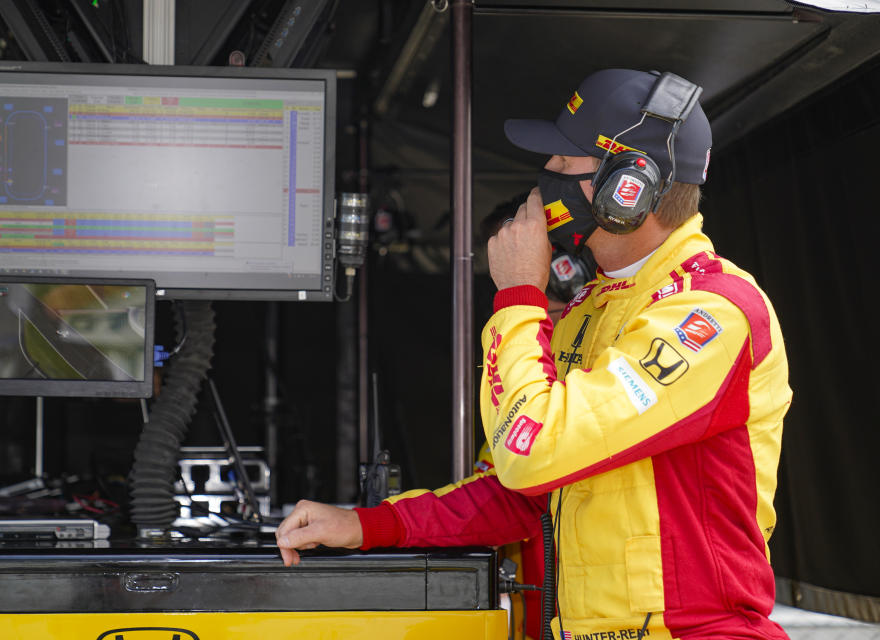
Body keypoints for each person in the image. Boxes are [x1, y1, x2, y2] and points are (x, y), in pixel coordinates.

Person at [277, 68, 791, 640]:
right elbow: (519, 493)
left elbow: (532, 452)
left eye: (563, 164)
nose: (544, 179)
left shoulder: (712, 314)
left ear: (630, 188)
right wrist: (366, 525)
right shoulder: (592, 312)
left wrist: (519, 294)